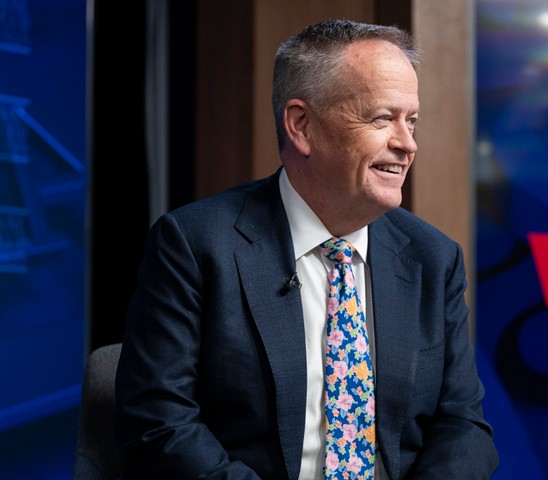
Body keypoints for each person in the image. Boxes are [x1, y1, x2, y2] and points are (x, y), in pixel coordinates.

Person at [114, 18, 499, 479]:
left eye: (411, 121)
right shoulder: (195, 244)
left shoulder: (432, 258)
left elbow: (464, 426)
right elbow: (159, 426)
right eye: (382, 118)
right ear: (301, 125)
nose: (407, 143)